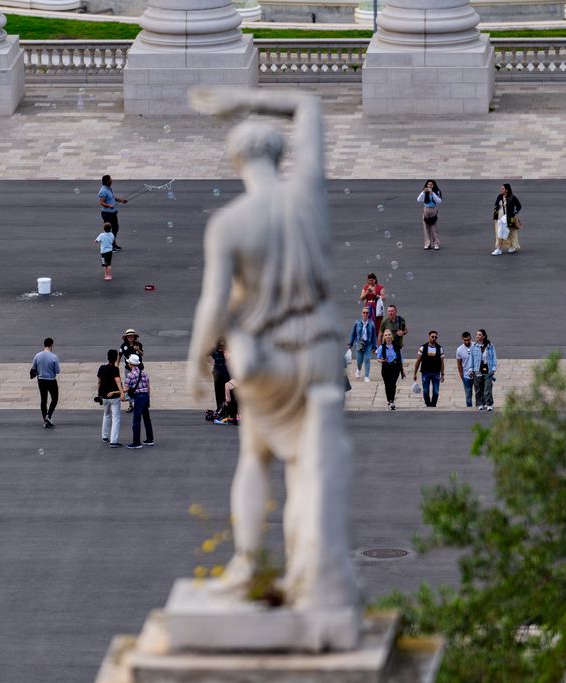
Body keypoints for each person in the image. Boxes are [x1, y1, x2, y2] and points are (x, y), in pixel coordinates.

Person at [184, 89, 358, 608]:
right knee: (310, 465)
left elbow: (214, 305)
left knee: (256, 457)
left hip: (266, 357)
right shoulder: (307, 193)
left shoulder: (229, 224)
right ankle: (309, 568)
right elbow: (309, 104)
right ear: (280, 156)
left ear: (236, 160)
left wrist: (196, 360)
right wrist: (241, 99)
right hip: (322, 348)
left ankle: (248, 565)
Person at [123, 354, 154, 448]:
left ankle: (136, 442)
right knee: (147, 419)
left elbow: (125, 389)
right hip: (145, 396)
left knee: (136, 420)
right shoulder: (144, 373)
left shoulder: (130, 375)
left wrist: (117, 391)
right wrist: (148, 399)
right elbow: (148, 387)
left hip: (138, 397)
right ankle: (150, 439)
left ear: (131, 364)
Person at [96, 349, 123, 447]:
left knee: (106, 415)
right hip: (114, 397)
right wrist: (121, 393)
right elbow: (118, 381)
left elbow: (99, 382)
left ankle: (104, 436)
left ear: (107, 357)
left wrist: (99, 394)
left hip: (104, 396)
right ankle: (114, 441)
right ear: (116, 358)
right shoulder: (115, 369)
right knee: (116, 418)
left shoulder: (101, 368)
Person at [32, 337, 60, 428]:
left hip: (41, 380)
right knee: (54, 399)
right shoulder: (54, 357)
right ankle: (49, 416)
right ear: (51, 345)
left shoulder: (37, 355)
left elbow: (34, 368)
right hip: (51, 380)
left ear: (44, 345)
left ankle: (44, 418)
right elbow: (57, 371)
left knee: (43, 400)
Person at [412, 330, 445, 408]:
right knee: (426, 391)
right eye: (432, 337)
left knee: (436, 391)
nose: (434, 338)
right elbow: (418, 361)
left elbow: (442, 363)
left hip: (436, 372)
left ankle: (433, 405)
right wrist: (415, 373)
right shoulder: (423, 348)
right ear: (429, 337)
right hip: (425, 372)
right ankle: (428, 404)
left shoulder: (439, 348)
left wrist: (442, 374)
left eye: (435, 337)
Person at [470, 328, 498, 411]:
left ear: (484, 336)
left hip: (487, 368)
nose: (477, 336)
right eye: (477, 334)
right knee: (478, 388)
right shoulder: (474, 347)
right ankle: (480, 403)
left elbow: (494, 357)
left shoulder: (490, 346)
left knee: (487, 387)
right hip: (477, 369)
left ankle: (489, 404)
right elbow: (472, 359)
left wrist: (493, 368)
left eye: (479, 335)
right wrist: (471, 369)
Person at [376, 329, 404, 410]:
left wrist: (402, 371)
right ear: (384, 337)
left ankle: (392, 401)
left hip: (395, 368)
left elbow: (400, 358)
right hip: (386, 368)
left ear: (391, 336)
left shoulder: (396, 346)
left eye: (389, 335)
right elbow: (378, 358)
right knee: (387, 385)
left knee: (392, 384)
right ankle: (389, 401)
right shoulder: (382, 347)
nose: (388, 336)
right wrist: (382, 360)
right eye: (386, 335)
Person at [347, 307, 377, 382]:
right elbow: (353, 334)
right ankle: (358, 370)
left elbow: (374, 336)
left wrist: (374, 346)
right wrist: (350, 344)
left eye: (367, 313)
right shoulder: (357, 323)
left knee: (367, 359)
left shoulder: (371, 323)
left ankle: (366, 376)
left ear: (369, 314)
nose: (365, 314)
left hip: (368, 344)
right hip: (359, 344)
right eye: (364, 312)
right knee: (359, 361)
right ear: (362, 313)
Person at [492, 182, 522, 256]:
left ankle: (512, 246)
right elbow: (496, 205)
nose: (501, 189)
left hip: (509, 217)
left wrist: (515, 212)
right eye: (501, 188)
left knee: (511, 232)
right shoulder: (499, 196)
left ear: (507, 190)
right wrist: (496, 211)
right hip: (500, 217)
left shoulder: (512, 197)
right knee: (500, 232)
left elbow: (519, 206)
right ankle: (499, 248)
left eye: (503, 188)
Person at [98, 174, 126, 251]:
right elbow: (101, 202)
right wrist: (108, 206)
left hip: (113, 213)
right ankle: (109, 246)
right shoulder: (103, 190)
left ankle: (113, 243)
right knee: (109, 231)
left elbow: (113, 197)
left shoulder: (109, 188)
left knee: (115, 228)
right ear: (107, 181)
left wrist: (121, 200)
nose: (112, 180)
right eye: (110, 179)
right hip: (107, 213)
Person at [456, 331, 480, 409]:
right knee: (468, 394)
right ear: (462, 339)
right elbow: (459, 364)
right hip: (466, 376)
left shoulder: (476, 346)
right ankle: (469, 409)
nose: (467, 341)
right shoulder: (459, 350)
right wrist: (462, 376)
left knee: (478, 393)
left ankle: (478, 407)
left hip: (477, 374)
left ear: (470, 338)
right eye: (465, 340)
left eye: (468, 340)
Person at [416, 180, 443, 250]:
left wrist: (432, 193)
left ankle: (436, 243)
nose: (430, 186)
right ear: (426, 185)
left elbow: (439, 201)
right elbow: (419, 200)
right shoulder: (424, 192)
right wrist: (423, 192)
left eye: (431, 184)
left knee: (434, 228)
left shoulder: (437, 191)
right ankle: (427, 244)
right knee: (426, 227)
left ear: (433, 185)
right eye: (428, 184)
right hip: (426, 209)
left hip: (433, 209)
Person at [210, 339, 230, 412]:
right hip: (217, 372)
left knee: (227, 390)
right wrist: (211, 362)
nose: (222, 347)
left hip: (227, 372)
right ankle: (219, 407)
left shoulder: (228, 350)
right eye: (220, 346)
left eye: (223, 346)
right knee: (218, 390)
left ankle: (227, 407)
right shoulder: (214, 350)